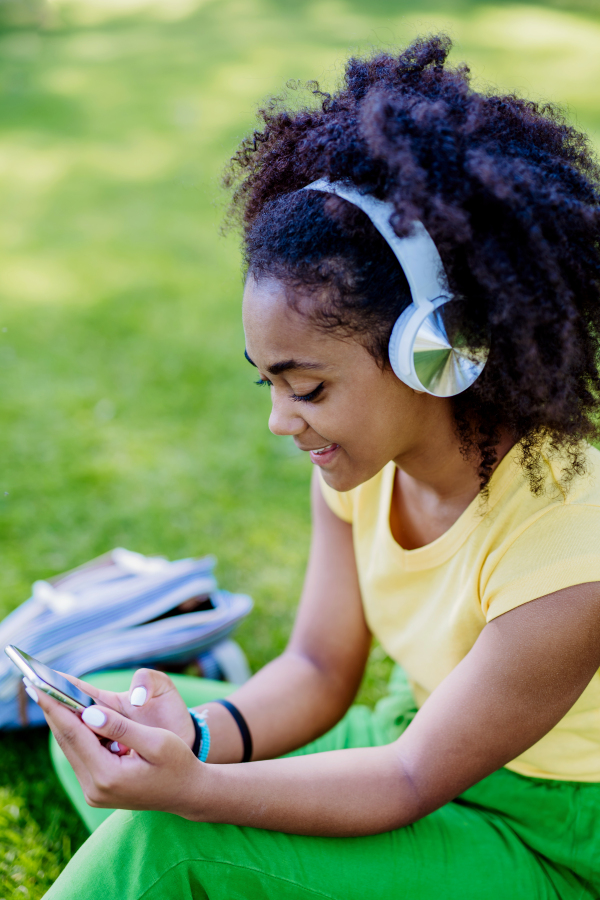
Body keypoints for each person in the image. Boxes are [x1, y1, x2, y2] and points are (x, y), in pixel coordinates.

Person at [39, 34, 600, 899]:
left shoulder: (572, 550)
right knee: (100, 710)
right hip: (412, 741)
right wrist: (186, 738)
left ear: (435, 350)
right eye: (267, 382)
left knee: (163, 841)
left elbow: (409, 779)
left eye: (305, 386)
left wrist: (198, 791)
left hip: (546, 840)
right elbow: (315, 668)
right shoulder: (358, 468)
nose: (278, 420)